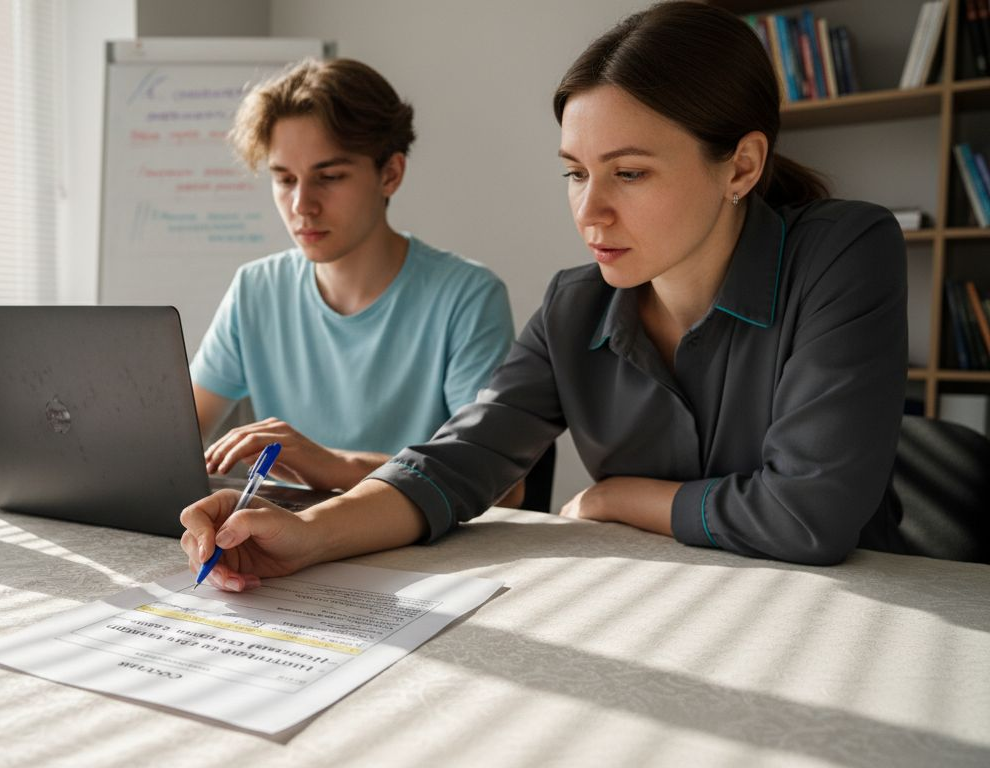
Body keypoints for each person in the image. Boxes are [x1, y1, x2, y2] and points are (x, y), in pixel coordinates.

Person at [180, 1, 909, 589]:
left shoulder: (843, 252)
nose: (589, 212)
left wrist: (621, 497)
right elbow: (453, 463)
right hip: (672, 605)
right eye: (574, 173)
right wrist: (308, 535)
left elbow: (809, 515)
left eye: (629, 173)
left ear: (742, 166)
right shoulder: (575, 305)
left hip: (852, 615)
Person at [191, 58, 516, 496]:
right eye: (285, 179)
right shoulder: (256, 290)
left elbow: (500, 486)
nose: (302, 205)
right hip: (280, 541)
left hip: (412, 547)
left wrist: (328, 464)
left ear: (391, 174)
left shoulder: (466, 296)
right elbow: (171, 441)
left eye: (329, 177)